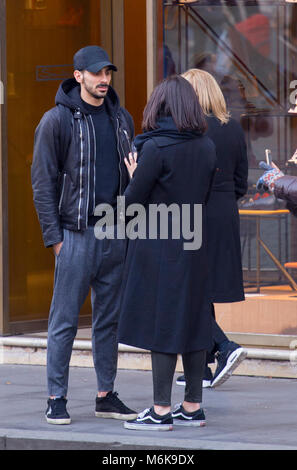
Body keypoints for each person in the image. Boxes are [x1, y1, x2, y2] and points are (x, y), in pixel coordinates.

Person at [31, 45, 137, 425]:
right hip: (74, 234)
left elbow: (130, 178)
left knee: (108, 321)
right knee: (64, 321)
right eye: (96, 73)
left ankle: (105, 395)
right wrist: (55, 240)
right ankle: (56, 397)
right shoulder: (57, 121)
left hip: (115, 232)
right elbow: (42, 184)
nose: (104, 79)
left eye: (108, 73)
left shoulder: (121, 119)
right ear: (78, 76)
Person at [118, 75, 218, 431]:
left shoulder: (155, 148)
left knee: (163, 324)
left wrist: (133, 176)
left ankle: (161, 410)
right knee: (194, 321)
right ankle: (193, 406)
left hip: (160, 245)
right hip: (196, 242)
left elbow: (132, 204)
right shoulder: (206, 146)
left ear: (158, 106)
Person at [176, 68, 248, 389]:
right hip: (225, 211)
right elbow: (241, 182)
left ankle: (223, 346)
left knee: (189, 289)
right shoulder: (232, 128)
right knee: (202, 289)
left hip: (196, 213)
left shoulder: (190, 130)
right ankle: (200, 368)